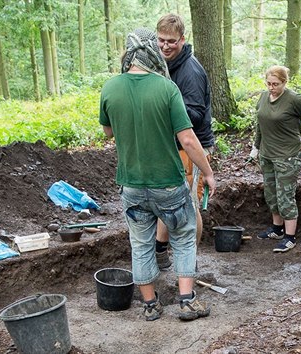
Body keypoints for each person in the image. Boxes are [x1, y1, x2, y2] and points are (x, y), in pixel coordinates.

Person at [99, 28, 216, 321]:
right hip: (168, 183)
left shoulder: (110, 88)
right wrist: (208, 172)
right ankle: (187, 301)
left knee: (140, 244)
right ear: (153, 52)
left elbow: (108, 131)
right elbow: (188, 139)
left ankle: (150, 305)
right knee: (185, 236)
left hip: (132, 185)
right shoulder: (167, 89)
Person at [154, 13, 215, 270]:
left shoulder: (190, 71)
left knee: (190, 207)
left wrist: (162, 112)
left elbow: (195, 115)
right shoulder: (167, 65)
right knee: (167, 201)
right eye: (161, 41)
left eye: (171, 41)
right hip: (174, 147)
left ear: (182, 39)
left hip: (192, 148)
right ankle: (160, 250)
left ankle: (190, 259)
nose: (166, 46)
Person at [250, 65, 301, 253]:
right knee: (271, 194)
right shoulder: (264, 97)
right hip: (267, 154)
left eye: (276, 84)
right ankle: (277, 229)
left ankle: (290, 237)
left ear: (284, 82)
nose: (271, 87)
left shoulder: (293, 99)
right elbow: (260, 124)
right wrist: (256, 147)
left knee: (285, 197)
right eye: (269, 84)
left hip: (287, 156)